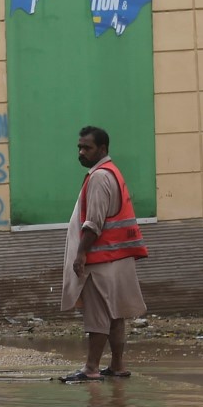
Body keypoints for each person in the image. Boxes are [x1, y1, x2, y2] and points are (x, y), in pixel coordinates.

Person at [60, 125, 147, 382]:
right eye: (79, 147)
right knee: (116, 315)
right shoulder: (113, 172)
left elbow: (93, 223)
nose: (81, 151)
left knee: (97, 317)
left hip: (100, 259)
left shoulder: (99, 177)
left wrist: (81, 255)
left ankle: (90, 368)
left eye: (87, 147)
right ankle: (117, 366)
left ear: (103, 149)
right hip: (117, 258)